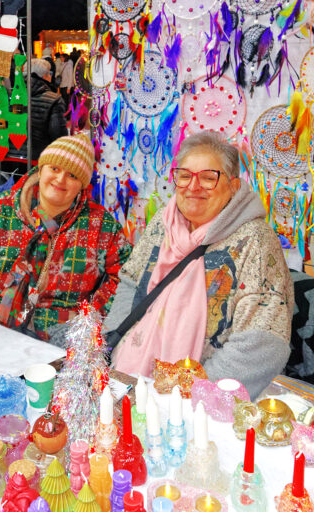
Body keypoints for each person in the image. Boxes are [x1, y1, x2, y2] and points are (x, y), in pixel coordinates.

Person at [105, 131, 294, 398]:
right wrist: (116, 350)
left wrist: (198, 394)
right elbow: (131, 282)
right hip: (131, 378)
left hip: (201, 400)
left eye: (208, 178)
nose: (193, 187)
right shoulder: (164, 222)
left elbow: (262, 344)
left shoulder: (255, 240)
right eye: (185, 176)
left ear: (234, 186)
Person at [0, 133, 132, 342]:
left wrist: (87, 321)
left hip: (58, 341)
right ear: (41, 169)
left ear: (82, 185)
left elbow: (125, 282)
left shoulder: (102, 227)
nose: (60, 180)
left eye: (73, 175)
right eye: (54, 168)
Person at [29, 58, 68, 156]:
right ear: (45, 76)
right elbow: (59, 136)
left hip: (11, 159)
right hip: (42, 158)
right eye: (50, 73)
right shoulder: (54, 99)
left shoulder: (11, 95)